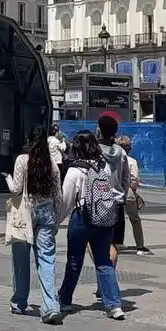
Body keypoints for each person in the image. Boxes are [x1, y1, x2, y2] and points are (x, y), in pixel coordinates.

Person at [57, 130, 125, 320]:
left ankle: (65, 299)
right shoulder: (104, 167)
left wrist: (56, 222)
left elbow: (66, 201)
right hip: (104, 217)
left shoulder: (75, 171)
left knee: (74, 260)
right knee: (104, 261)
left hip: (82, 217)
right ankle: (114, 305)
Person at [6, 126, 63, 324]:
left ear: (29, 141)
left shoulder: (22, 160)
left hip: (25, 215)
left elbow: (16, 189)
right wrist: (56, 220)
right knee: (46, 259)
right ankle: (50, 306)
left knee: (21, 260)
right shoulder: (52, 165)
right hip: (46, 214)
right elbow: (58, 196)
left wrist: (7, 178)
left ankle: (19, 302)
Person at [96, 115, 130, 269]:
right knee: (112, 244)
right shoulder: (121, 152)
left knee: (95, 241)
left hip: (99, 202)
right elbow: (126, 177)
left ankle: (104, 276)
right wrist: (123, 194)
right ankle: (110, 274)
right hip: (117, 201)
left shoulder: (95, 150)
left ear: (100, 130)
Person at [116, 134, 151, 256]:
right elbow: (134, 179)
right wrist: (134, 192)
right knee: (135, 219)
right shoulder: (131, 161)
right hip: (128, 192)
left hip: (114, 192)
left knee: (115, 219)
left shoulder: (113, 159)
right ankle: (140, 246)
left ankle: (114, 243)